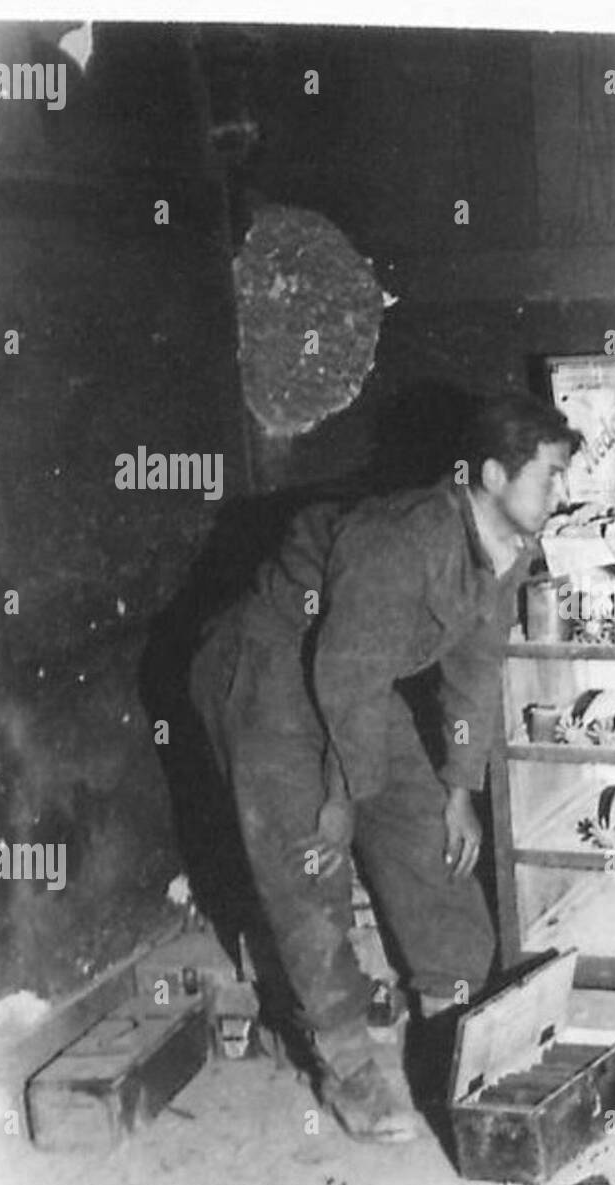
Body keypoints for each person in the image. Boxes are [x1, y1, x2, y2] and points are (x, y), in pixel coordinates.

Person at [189, 393, 580, 1139]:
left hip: (355, 681)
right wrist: (341, 800)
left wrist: (458, 787)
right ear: (494, 475)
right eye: (551, 475)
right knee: (309, 871)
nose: (563, 492)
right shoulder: (405, 539)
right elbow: (343, 673)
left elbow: (474, 667)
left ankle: (456, 1025)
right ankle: (347, 1068)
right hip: (269, 672)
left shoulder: (509, 546)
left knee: (434, 838)